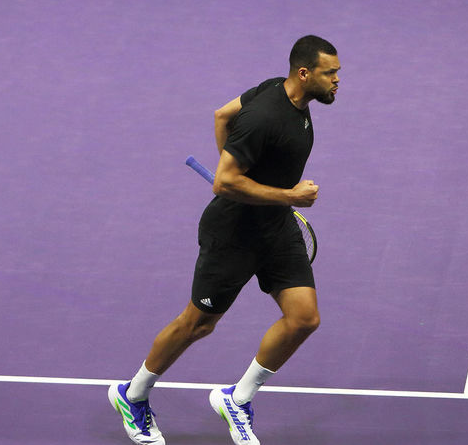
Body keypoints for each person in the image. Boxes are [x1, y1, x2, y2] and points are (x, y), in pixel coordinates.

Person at [108, 35, 341, 445]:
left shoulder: (279, 90)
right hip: (234, 235)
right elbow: (225, 181)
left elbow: (221, 115)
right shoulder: (266, 116)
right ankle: (133, 394)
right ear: (305, 74)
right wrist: (284, 194)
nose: (337, 80)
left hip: (275, 227)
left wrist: (244, 184)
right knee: (197, 325)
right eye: (330, 73)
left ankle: (237, 399)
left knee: (304, 318)